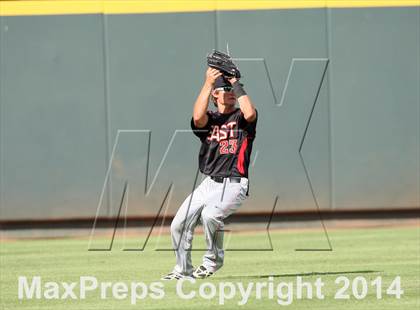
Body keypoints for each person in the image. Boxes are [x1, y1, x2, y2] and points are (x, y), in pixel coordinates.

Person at [162, 67, 258, 280]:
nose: (230, 91)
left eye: (231, 88)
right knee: (178, 224)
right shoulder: (210, 120)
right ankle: (183, 270)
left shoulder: (242, 118)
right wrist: (208, 82)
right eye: (224, 88)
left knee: (210, 215)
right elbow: (197, 118)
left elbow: (250, 112)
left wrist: (235, 82)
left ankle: (212, 262)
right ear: (215, 94)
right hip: (209, 184)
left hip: (234, 183)